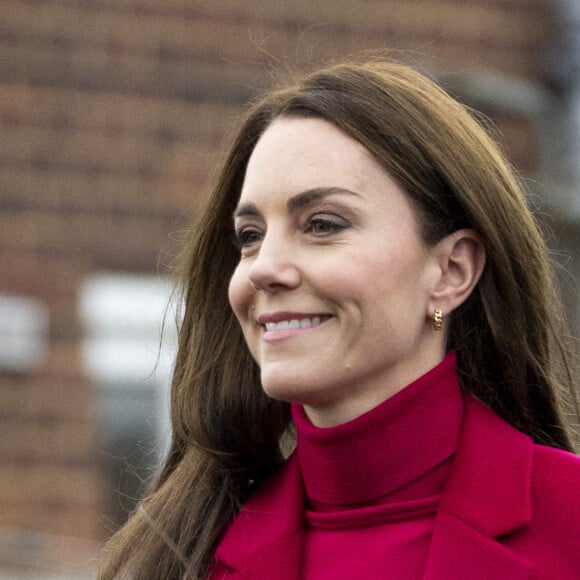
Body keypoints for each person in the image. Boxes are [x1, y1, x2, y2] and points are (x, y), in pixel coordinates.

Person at [99, 59, 580, 579]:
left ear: (451, 270)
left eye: (322, 225)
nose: (265, 269)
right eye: (250, 236)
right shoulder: (186, 557)